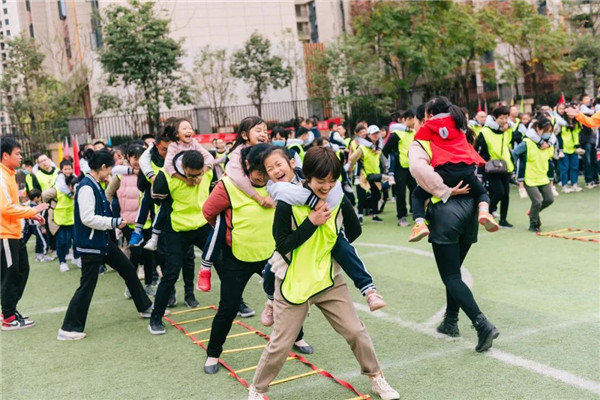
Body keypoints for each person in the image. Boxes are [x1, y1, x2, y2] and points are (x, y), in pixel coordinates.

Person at [248, 146, 399, 400]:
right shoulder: (286, 202)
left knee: (355, 331)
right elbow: (282, 244)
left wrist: (331, 244)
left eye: (332, 180)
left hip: (328, 280)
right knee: (281, 344)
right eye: (321, 180)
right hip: (293, 283)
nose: (327, 186)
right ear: (307, 176)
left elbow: (354, 231)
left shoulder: (336, 198)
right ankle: (257, 389)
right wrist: (312, 223)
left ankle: (376, 378)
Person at [409, 126, 500, 353]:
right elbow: (482, 191)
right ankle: (450, 321)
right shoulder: (467, 164)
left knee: (450, 276)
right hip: (470, 219)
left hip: (446, 219)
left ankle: (482, 324)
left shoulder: (439, 164)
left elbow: (419, 192)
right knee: (454, 273)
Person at [58, 149, 153, 341]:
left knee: (128, 269)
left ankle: (145, 307)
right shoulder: (86, 186)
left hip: (101, 242)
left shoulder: (95, 183)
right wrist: (114, 222)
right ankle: (68, 328)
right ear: (102, 167)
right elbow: (87, 218)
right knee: (87, 285)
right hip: (90, 245)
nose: (110, 173)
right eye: (109, 169)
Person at [203, 144, 275, 374]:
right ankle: (213, 353)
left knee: (285, 300)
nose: (262, 177)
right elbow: (208, 212)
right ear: (246, 166)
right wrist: (227, 233)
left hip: (271, 254)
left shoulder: (278, 183)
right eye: (258, 171)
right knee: (229, 307)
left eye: (266, 171)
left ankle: (298, 337)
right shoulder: (228, 185)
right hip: (237, 256)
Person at [408, 96, 498, 242]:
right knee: (482, 192)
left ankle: (419, 223)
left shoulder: (429, 127)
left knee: (417, 195)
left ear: (430, 115)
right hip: (466, 171)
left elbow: (419, 138)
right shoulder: (459, 124)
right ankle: (484, 212)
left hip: (444, 172)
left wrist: (445, 191)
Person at [147, 150, 213, 335]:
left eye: (199, 174)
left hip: (202, 226)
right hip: (177, 230)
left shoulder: (209, 172)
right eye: (191, 175)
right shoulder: (166, 176)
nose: (196, 179)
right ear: (183, 167)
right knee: (171, 273)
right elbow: (157, 201)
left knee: (225, 264)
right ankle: (155, 318)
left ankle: (237, 304)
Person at [1, 137, 49, 330]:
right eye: (18, 153)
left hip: (14, 232)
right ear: (5, 156)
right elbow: (5, 208)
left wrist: (31, 215)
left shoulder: (9, 174)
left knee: (22, 270)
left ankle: (8, 310)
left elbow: (13, 205)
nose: (21, 157)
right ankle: (8, 317)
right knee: (11, 274)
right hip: (5, 234)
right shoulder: (2, 176)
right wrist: (32, 210)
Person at [105, 145, 157, 297]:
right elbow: (108, 193)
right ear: (128, 157)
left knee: (149, 255)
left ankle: (148, 285)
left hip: (147, 221)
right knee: (136, 253)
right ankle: (131, 285)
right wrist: (114, 212)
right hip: (128, 222)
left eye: (140, 157)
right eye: (135, 157)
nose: (137, 161)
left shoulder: (148, 172)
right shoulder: (120, 175)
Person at [512, 116, 555, 232]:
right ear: (538, 129)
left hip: (542, 176)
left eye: (550, 131)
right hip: (529, 177)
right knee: (537, 201)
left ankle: (533, 213)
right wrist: (514, 168)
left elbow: (550, 159)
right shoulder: (527, 142)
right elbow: (515, 153)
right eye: (545, 131)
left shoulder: (549, 143)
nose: (547, 134)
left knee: (549, 199)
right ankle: (534, 224)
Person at [475, 106, 514, 227]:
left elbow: (509, 144)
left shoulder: (507, 130)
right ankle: (486, 213)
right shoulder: (485, 132)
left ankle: (503, 220)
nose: (504, 121)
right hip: (491, 167)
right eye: (501, 118)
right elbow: (478, 149)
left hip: (505, 166)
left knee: (506, 194)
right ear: (494, 118)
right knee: (499, 192)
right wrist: (486, 160)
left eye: (506, 118)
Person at [42, 160, 82, 272]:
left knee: (77, 240)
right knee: (62, 242)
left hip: (72, 219)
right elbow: (44, 195)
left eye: (70, 169)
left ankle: (76, 258)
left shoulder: (75, 184)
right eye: (65, 169)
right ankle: (62, 262)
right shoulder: (57, 188)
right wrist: (50, 205)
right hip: (59, 221)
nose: (74, 189)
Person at [383, 110, 417, 226]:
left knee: (415, 190)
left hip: (411, 167)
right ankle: (401, 217)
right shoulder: (396, 134)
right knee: (400, 193)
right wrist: (391, 163)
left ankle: (415, 211)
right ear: (407, 119)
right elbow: (385, 150)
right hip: (399, 168)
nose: (415, 122)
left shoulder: (414, 132)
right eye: (414, 119)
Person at [350, 125, 388, 223]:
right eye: (373, 134)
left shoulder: (379, 148)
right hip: (363, 175)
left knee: (376, 195)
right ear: (369, 135)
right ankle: (360, 216)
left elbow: (381, 161)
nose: (376, 135)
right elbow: (352, 159)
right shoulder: (362, 147)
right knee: (361, 196)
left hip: (375, 173)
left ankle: (375, 215)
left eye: (377, 133)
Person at [556, 111, 583, 193]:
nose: (571, 114)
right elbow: (557, 136)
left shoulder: (578, 123)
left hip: (574, 149)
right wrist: (559, 149)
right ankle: (564, 185)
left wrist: (578, 146)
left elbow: (578, 135)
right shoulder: (561, 123)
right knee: (564, 168)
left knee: (575, 167)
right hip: (563, 149)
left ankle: (574, 184)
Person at [22, 189, 50, 262]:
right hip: (36, 225)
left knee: (35, 240)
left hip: (29, 226)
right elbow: (40, 218)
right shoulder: (37, 207)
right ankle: (43, 255)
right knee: (44, 241)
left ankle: (38, 255)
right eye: (39, 197)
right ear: (36, 198)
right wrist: (43, 227)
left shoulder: (27, 205)